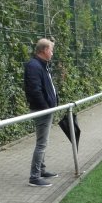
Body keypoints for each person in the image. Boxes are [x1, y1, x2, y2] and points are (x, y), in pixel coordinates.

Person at [24, 38, 59, 187]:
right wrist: (46, 108)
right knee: (41, 144)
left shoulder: (42, 65)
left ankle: (41, 170)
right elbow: (35, 90)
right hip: (42, 110)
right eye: (51, 50)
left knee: (43, 142)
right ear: (44, 50)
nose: (52, 53)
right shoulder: (34, 66)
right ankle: (34, 176)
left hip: (46, 109)